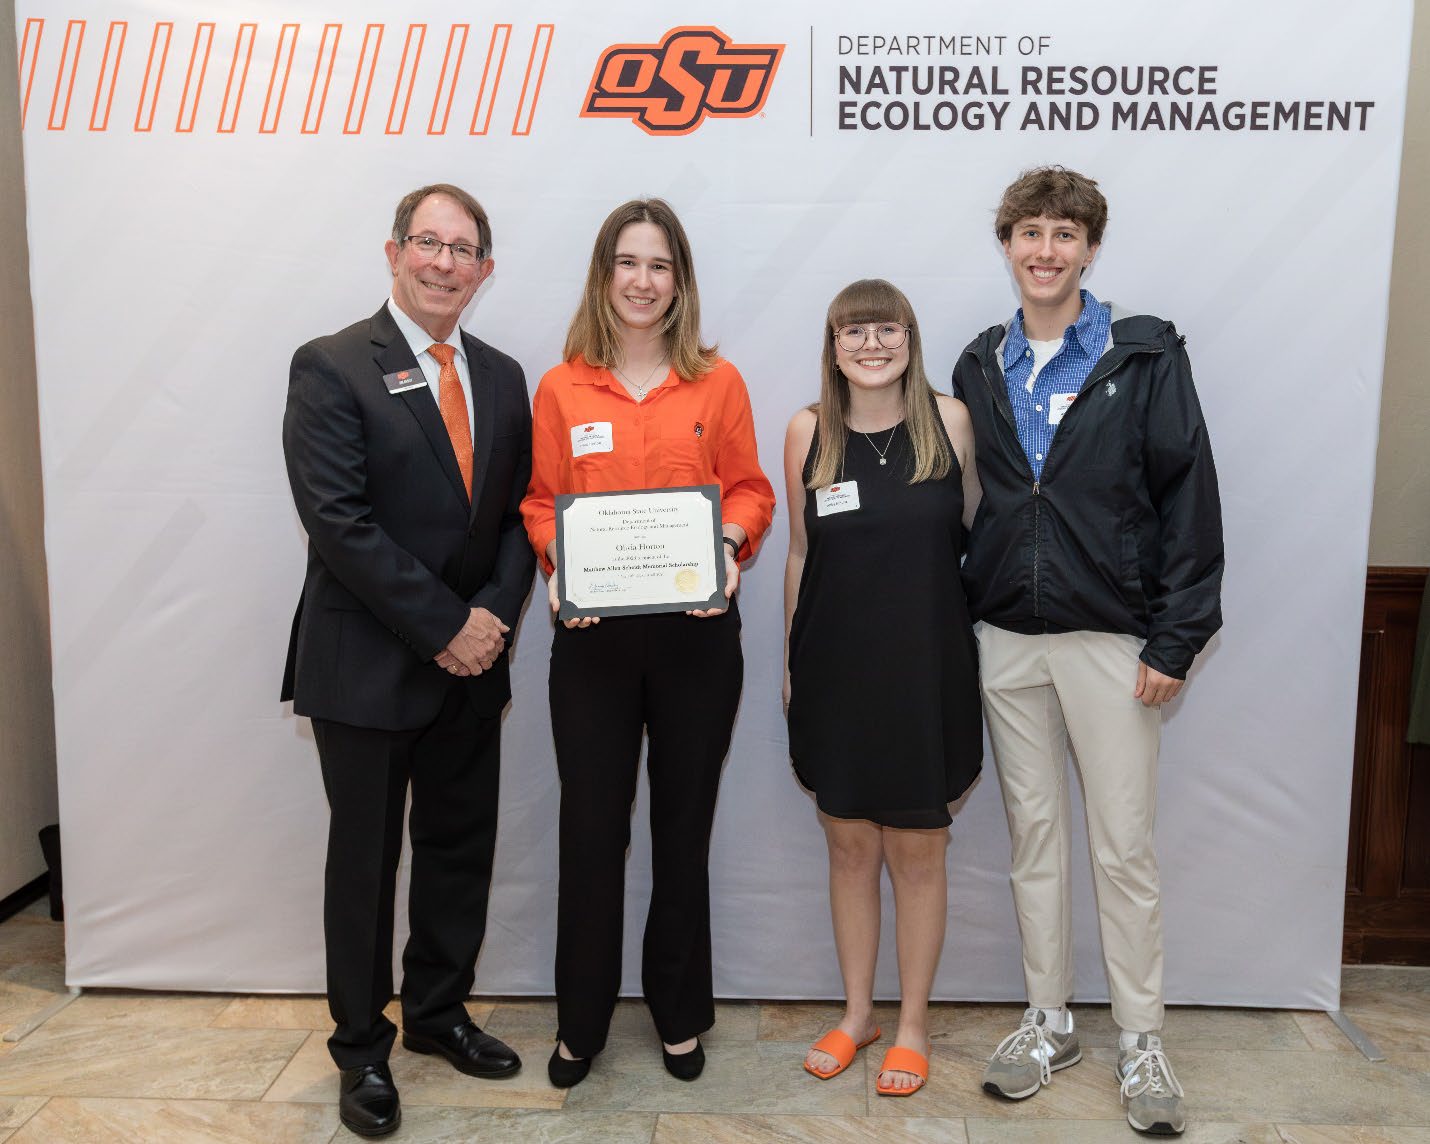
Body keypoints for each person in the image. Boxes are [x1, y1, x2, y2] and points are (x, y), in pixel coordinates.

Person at [953, 166, 1223, 1136]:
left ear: (1088, 248)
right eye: (1028, 232)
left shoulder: (1141, 355)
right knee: (1031, 844)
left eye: (1063, 234)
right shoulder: (978, 364)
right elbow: (968, 505)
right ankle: (1047, 1019)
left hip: (1114, 639)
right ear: (1007, 244)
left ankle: (1140, 1036)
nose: (1044, 250)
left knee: (1121, 850)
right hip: (1005, 639)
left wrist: (1176, 634)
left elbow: (1188, 494)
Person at [282, 183, 535, 1138]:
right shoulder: (333, 365)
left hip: (475, 664)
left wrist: (493, 618)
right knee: (364, 859)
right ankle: (360, 1049)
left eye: (463, 249)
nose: (444, 262)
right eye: (428, 243)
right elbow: (338, 524)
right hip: (369, 664)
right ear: (393, 253)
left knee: (458, 850)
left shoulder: (505, 376)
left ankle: (437, 1015)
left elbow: (521, 513)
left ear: (486, 271)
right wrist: (447, 625)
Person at [520, 198, 775, 1088]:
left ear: (680, 282)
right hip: (590, 644)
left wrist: (732, 547)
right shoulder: (561, 387)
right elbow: (541, 502)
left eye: (659, 265)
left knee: (682, 829)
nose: (642, 280)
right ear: (604, 276)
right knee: (592, 832)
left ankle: (679, 1013)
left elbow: (748, 491)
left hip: (697, 641)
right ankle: (580, 1024)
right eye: (627, 263)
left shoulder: (719, 382)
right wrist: (559, 565)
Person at [783, 279, 983, 1098]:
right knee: (849, 847)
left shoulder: (953, 422)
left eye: (886, 328)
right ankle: (859, 1013)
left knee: (918, 851)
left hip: (927, 670)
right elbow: (798, 557)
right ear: (832, 345)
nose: (872, 343)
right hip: (835, 670)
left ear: (910, 336)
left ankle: (911, 1027)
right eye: (853, 331)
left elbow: (976, 536)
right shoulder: (806, 431)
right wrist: (792, 660)